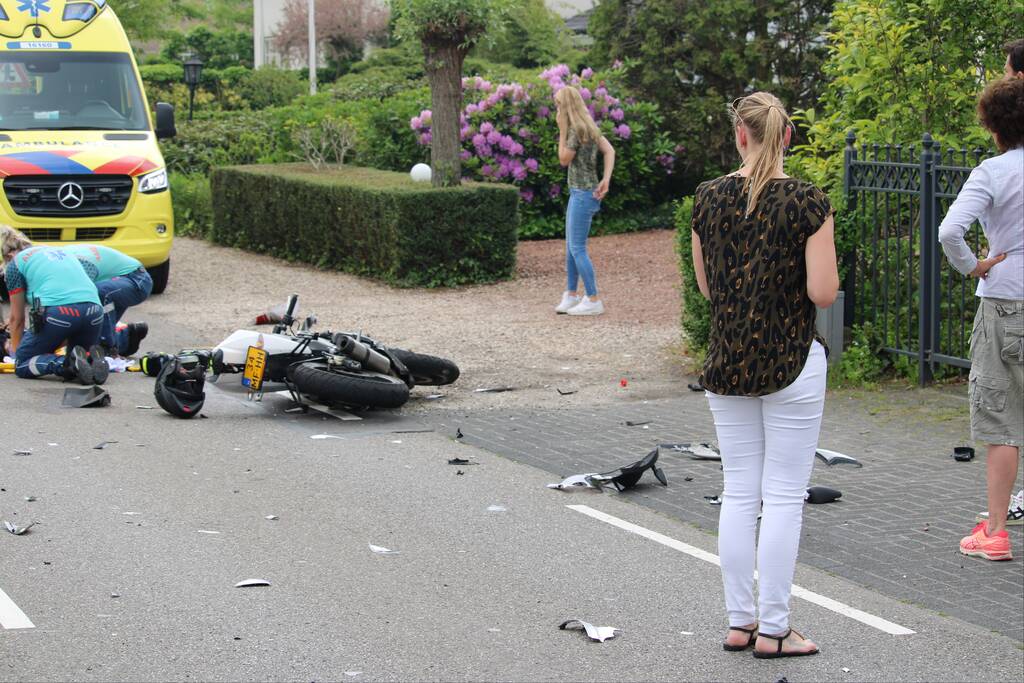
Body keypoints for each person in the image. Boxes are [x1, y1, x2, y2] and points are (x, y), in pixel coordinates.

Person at [690, 92, 838, 658]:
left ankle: (740, 621)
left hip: (728, 360)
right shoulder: (807, 201)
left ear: (741, 135)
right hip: (791, 359)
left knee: (739, 490)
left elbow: (708, 289)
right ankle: (775, 629)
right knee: (782, 496)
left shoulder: (707, 198)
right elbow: (822, 293)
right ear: (787, 136)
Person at [938, 77, 1024, 560]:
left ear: (993, 126)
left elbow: (950, 231)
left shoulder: (993, 172)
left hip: (1006, 301)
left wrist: (974, 266)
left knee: (1002, 420)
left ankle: (995, 531)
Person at [0, 225, 108, 384]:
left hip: (61, 312)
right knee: (77, 358)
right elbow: (91, 270)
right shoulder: (58, 252)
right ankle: (90, 360)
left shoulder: (15, 264)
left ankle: (64, 364)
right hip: (95, 312)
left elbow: (17, 319)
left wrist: (16, 355)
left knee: (23, 364)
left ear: (9, 255)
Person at [554, 85, 615, 316]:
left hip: (582, 194)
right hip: (583, 192)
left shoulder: (574, 131)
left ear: (566, 106)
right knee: (572, 246)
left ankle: (593, 299)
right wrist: (605, 179)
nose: (556, 110)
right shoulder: (589, 126)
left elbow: (563, 159)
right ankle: (571, 294)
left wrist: (561, 130)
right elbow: (610, 151)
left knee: (577, 248)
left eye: (558, 105)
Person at [62, 244, 151, 357]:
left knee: (98, 296)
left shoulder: (83, 265)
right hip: (115, 282)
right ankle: (127, 339)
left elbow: (81, 301)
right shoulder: (59, 261)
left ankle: (107, 349)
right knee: (96, 326)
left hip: (135, 280)